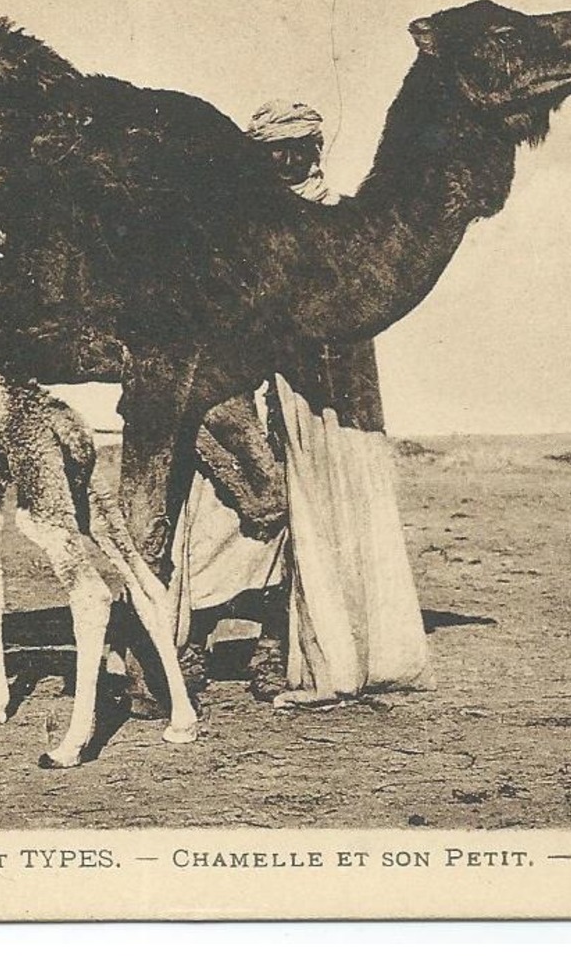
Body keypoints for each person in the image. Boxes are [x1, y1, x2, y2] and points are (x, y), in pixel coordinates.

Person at [167, 101, 428, 705]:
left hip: (322, 392)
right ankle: (192, 642)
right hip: (245, 384)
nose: (280, 163)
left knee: (311, 518)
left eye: (289, 151)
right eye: (269, 153)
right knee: (218, 511)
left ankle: (272, 647)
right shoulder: (240, 222)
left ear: (312, 150)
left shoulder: (344, 221)